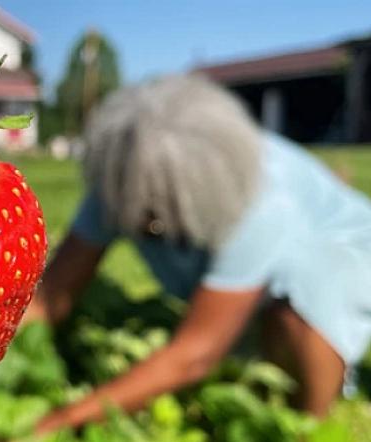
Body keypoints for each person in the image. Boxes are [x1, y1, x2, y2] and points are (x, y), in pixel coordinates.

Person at [25, 74, 371, 434]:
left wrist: (55, 424)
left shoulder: (261, 202)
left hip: (344, 253)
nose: (146, 226)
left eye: (158, 216)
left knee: (302, 305)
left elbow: (195, 355)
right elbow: (52, 296)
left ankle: (310, 420)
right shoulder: (124, 178)